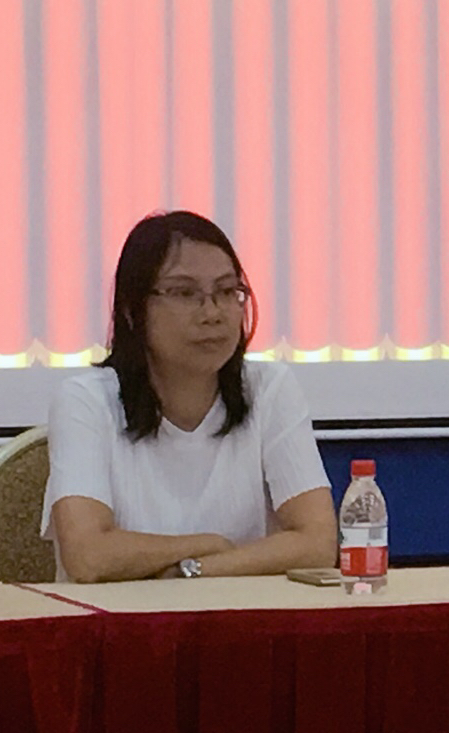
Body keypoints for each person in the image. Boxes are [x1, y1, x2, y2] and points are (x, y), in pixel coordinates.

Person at [41, 210, 337, 581]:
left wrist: (194, 569)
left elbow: (318, 543)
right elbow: (89, 557)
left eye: (227, 292)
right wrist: (208, 543)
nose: (212, 313)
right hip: (118, 618)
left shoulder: (269, 388)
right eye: (184, 293)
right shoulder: (85, 400)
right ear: (132, 310)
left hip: (236, 614)